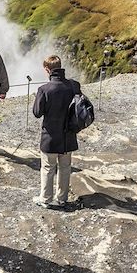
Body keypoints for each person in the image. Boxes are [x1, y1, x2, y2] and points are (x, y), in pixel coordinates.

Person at [32, 55, 79, 209]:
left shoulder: (44, 89)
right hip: (68, 135)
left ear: (47, 69)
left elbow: (37, 112)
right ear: (60, 67)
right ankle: (62, 198)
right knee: (65, 168)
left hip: (50, 137)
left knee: (47, 168)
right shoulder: (74, 86)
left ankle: (45, 199)